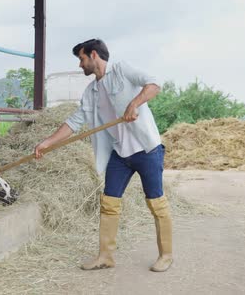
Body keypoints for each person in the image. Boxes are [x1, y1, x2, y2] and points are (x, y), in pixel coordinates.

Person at [34, 38, 173, 272]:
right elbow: (75, 121)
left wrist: (134, 104)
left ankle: (166, 255)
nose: (80, 65)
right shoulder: (91, 91)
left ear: (94, 55)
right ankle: (106, 256)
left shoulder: (122, 70)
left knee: (156, 203)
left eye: (82, 58)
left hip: (146, 150)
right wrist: (47, 143)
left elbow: (154, 84)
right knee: (109, 202)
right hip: (119, 154)